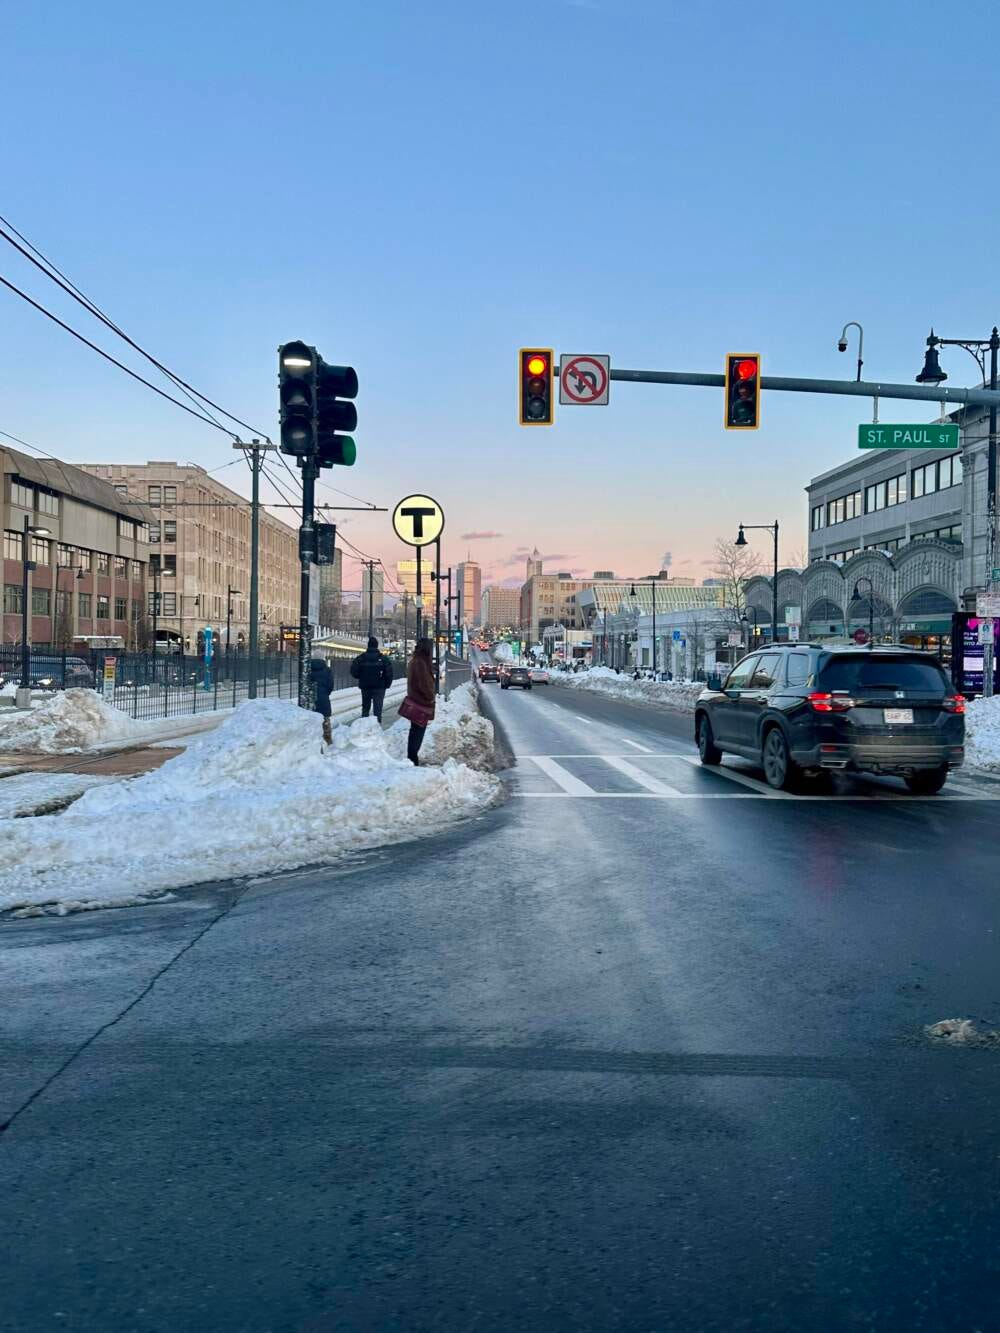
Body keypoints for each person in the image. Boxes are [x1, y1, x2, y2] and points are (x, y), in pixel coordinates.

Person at [403, 638, 436, 765]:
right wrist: (430, 696)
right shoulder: (420, 663)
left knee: (415, 731)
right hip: (421, 702)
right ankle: (412, 759)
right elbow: (424, 684)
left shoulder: (416, 660)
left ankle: (412, 757)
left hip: (417, 700)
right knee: (417, 732)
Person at [350, 636, 394, 722]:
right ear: (377, 646)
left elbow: (353, 671)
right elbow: (389, 673)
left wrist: (361, 677)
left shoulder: (361, 658)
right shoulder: (383, 659)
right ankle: (377, 726)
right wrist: (386, 684)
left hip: (365, 687)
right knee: (377, 710)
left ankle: (363, 726)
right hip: (379, 687)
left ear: (368, 645)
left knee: (365, 709)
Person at [309, 655, 334, 744]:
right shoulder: (327, 670)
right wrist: (326, 693)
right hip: (323, 697)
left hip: (311, 697)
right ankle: (327, 740)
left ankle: (314, 740)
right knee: (325, 719)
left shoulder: (308, 669)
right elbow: (330, 685)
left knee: (312, 719)